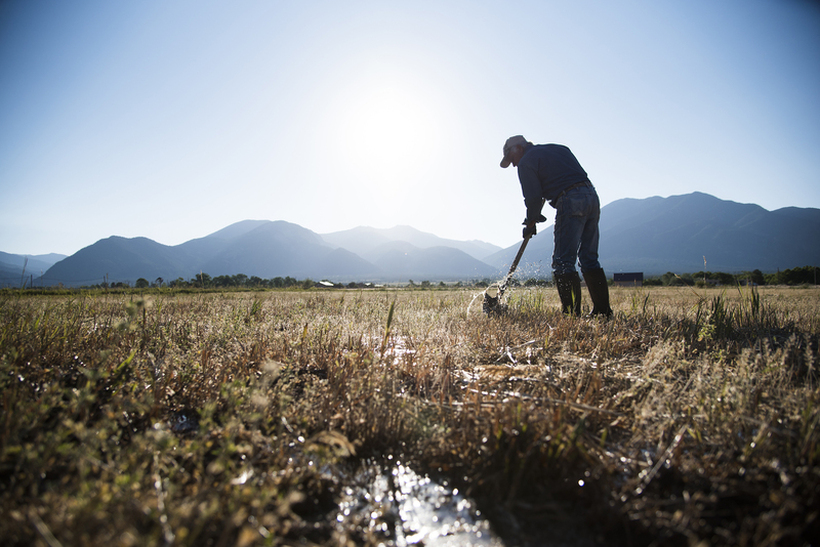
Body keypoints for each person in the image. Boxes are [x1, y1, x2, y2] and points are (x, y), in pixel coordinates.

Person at [500, 135, 612, 317]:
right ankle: (603, 312)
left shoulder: (526, 161)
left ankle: (571, 315)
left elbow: (533, 198)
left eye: (511, 159)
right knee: (589, 258)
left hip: (570, 199)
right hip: (591, 196)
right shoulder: (560, 148)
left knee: (562, 262)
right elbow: (563, 176)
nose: (513, 165)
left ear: (518, 149)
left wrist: (530, 223)